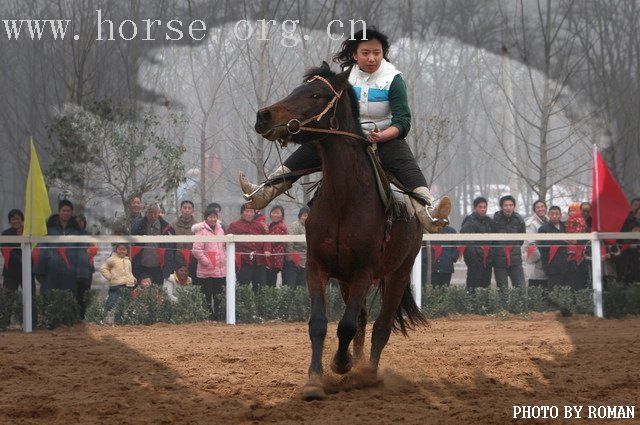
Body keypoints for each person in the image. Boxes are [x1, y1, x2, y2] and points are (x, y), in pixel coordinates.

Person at [238, 27, 451, 233]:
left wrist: (383, 135)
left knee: (408, 168)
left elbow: (403, 122)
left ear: (383, 53)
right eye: (365, 53)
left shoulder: (394, 80)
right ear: (355, 55)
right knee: (311, 149)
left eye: (377, 53)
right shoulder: (343, 79)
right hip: (347, 137)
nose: (371, 58)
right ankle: (263, 192)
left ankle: (430, 215)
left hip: (385, 139)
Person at [36, 200, 82, 297]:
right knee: (49, 301)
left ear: (71, 213)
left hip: (70, 273)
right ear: (59, 211)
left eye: (68, 211)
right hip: (51, 272)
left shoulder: (76, 231)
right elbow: (42, 250)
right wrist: (39, 270)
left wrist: (81, 273)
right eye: (63, 210)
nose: (66, 213)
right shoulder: (49, 229)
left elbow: (81, 253)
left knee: (68, 302)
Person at [192, 207, 227, 319]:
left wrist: (224, 259)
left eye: (214, 217)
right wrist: (207, 262)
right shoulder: (201, 231)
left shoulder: (221, 230)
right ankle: (207, 316)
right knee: (206, 296)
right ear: (206, 218)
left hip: (220, 270)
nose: (212, 219)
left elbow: (224, 247)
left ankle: (218, 315)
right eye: (210, 216)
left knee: (219, 296)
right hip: (206, 271)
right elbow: (196, 250)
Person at [130, 204, 175, 285]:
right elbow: (132, 234)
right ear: (146, 213)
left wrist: (169, 267)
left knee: (158, 293)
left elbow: (172, 249)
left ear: (159, 213)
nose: (153, 216)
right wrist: (141, 223)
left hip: (159, 268)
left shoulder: (166, 228)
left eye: (155, 213)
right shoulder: (140, 225)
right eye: (150, 213)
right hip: (141, 267)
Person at [227, 205, 268, 292]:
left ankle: (260, 305)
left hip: (259, 261)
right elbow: (227, 243)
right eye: (247, 211)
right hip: (243, 262)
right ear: (242, 213)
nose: (249, 214)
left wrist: (266, 250)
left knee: (260, 288)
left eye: (251, 212)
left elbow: (267, 239)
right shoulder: (234, 226)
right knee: (243, 288)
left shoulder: (259, 225)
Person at [492, 195, 526, 289]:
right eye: (506, 205)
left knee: (521, 288)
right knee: (503, 290)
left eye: (511, 205)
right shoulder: (495, 220)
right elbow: (492, 240)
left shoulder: (519, 220)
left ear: (514, 206)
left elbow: (521, 239)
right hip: (499, 262)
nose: (508, 208)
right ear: (501, 207)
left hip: (515, 260)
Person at [460, 197, 494, 289]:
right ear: (475, 208)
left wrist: (490, 254)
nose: (483, 209)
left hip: (487, 260)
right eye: (480, 207)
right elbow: (466, 241)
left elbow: (493, 239)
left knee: (486, 286)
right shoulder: (469, 222)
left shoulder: (489, 221)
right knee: (473, 287)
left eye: (484, 207)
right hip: (474, 261)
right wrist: (477, 254)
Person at [537, 206, 570, 288]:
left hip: (567, 265)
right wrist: (562, 240)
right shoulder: (543, 229)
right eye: (552, 214)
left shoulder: (565, 227)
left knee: (566, 291)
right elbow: (543, 245)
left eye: (557, 214)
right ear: (548, 215)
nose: (554, 216)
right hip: (551, 266)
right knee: (553, 290)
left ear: (560, 215)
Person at [100, 243, 136, 310]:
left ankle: (119, 318)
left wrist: (133, 278)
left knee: (125, 304)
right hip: (116, 285)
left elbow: (129, 272)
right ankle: (104, 315)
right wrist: (110, 277)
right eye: (120, 249)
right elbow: (103, 268)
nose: (122, 251)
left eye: (124, 249)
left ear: (127, 251)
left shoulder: (128, 261)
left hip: (128, 285)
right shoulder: (112, 259)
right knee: (112, 302)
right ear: (116, 250)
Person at [75, 213, 96, 318]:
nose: (79, 224)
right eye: (77, 221)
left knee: (85, 294)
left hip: (87, 270)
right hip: (74, 270)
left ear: (84, 223)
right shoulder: (71, 235)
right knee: (75, 294)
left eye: (81, 221)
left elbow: (94, 250)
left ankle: (84, 316)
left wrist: (91, 250)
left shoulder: (88, 235)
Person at [524, 200, 548, 287]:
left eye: (542, 207)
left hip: (547, 266)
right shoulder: (531, 224)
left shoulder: (549, 221)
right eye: (538, 207)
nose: (540, 209)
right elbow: (531, 245)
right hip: (536, 264)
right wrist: (544, 257)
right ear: (534, 210)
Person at [283, 206, 309, 287]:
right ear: (300, 216)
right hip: (294, 260)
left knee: (302, 286)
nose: (306, 218)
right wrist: (290, 257)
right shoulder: (295, 225)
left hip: (305, 261)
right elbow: (290, 241)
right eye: (304, 215)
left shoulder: (311, 227)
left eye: (309, 215)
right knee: (291, 285)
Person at [565, 207, 590, 290]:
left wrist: (577, 241)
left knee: (580, 281)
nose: (572, 213)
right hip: (569, 256)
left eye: (574, 211)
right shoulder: (565, 223)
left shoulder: (582, 223)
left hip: (582, 255)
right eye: (570, 211)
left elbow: (586, 239)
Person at [171, 200, 196, 276]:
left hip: (193, 262)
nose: (187, 210)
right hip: (176, 261)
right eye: (184, 208)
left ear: (192, 210)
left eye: (189, 208)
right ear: (180, 209)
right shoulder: (173, 225)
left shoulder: (197, 226)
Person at [1, 209, 25, 292]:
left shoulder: (28, 232)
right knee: (8, 299)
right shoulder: (5, 234)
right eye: (13, 219)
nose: (15, 221)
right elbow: (5, 252)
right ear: (9, 221)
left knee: (30, 298)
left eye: (18, 218)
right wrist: (21, 259)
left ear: (22, 219)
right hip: (11, 271)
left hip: (26, 270)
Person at [265, 205, 288, 286]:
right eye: (273, 213)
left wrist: (265, 231)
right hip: (271, 257)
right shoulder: (272, 224)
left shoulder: (280, 226)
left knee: (270, 281)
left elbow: (270, 240)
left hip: (274, 258)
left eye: (278, 213)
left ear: (282, 215)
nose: (275, 215)